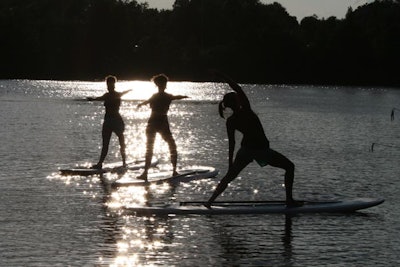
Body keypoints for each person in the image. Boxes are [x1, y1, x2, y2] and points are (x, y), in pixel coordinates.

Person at [205, 71, 302, 208]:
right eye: (237, 97)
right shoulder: (246, 110)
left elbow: (232, 144)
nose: (239, 97)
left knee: (228, 178)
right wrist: (223, 77)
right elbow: (237, 87)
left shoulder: (231, 121)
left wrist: (230, 163)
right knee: (290, 167)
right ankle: (289, 201)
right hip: (261, 151)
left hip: (245, 151)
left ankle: (209, 202)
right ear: (236, 102)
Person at [137, 74, 188, 181]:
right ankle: (173, 170)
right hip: (160, 123)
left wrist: (141, 105)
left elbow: (147, 102)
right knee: (170, 145)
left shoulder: (155, 96)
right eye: (163, 83)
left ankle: (146, 173)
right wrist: (183, 96)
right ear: (161, 85)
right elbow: (175, 97)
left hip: (153, 122)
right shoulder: (165, 96)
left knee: (151, 147)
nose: (164, 85)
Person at [87, 75, 131, 169]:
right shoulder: (107, 95)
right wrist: (92, 99)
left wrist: (129, 91)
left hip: (117, 121)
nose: (108, 86)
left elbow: (122, 93)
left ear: (114, 84)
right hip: (107, 121)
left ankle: (124, 162)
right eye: (107, 84)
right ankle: (100, 164)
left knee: (121, 142)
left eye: (110, 84)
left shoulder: (116, 94)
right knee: (105, 144)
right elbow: (98, 98)